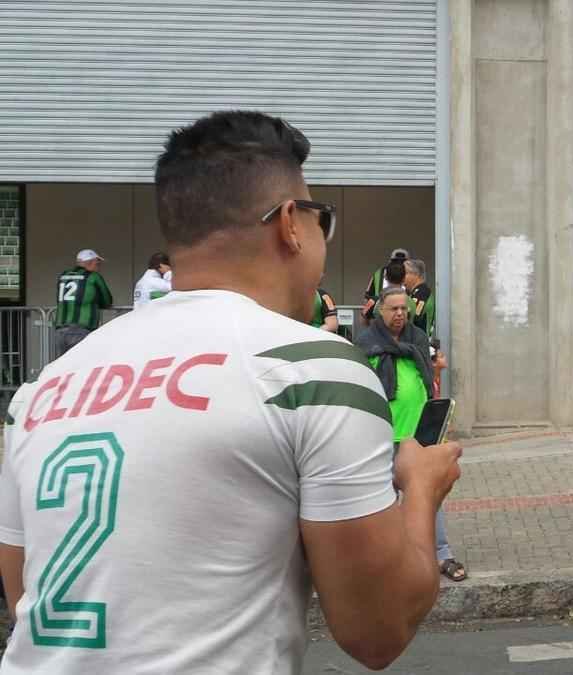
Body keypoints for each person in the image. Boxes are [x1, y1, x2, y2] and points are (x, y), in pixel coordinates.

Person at [0, 110, 461, 672]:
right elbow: (378, 630)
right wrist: (421, 489)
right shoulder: (310, 371)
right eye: (323, 220)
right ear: (290, 222)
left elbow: (25, 591)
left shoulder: (44, 390)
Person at [355, 287, 467, 583]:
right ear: (380, 311)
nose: (400, 314)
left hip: (420, 434)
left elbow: (431, 376)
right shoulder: (367, 343)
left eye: (404, 308)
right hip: (384, 434)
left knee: (428, 495)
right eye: (394, 309)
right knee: (385, 501)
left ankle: (442, 554)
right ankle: (392, 559)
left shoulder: (417, 339)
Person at [52, 248, 114, 355]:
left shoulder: (64, 276)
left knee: (64, 368)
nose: (98, 267)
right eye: (97, 264)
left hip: (60, 330)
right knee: (80, 367)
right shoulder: (93, 277)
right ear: (90, 263)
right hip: (81, 329)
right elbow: (107, 301)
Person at [362, 248, 409, 319]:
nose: (399, 264)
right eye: (396, 261)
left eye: (402, 261)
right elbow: (367, 296)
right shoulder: (379, 274)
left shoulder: (410, 274)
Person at [404, 258, 435, 336]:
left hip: (420, 344)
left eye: (404, 273)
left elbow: (411, 318)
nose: (402, 278)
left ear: (416, 274)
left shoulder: (422, 292)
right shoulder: (415, 293)